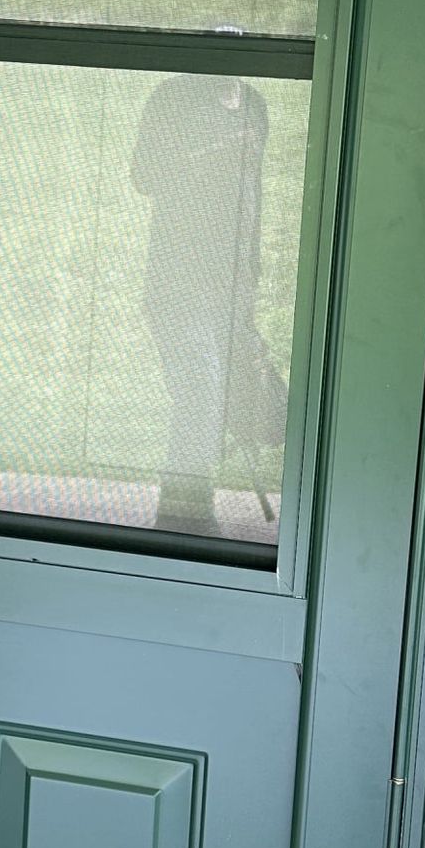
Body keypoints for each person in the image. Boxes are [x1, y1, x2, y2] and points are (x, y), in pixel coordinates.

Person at [130, 70, 288, 539]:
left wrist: (249, 285)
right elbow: (144, 174)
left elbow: (251, 201)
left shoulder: (254, 104)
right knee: (199, 396)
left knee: (221, 399)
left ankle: (189, 511)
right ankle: (182, 520)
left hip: (235, 284)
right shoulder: (173, 97)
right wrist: (206, 157)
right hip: (180, 280)